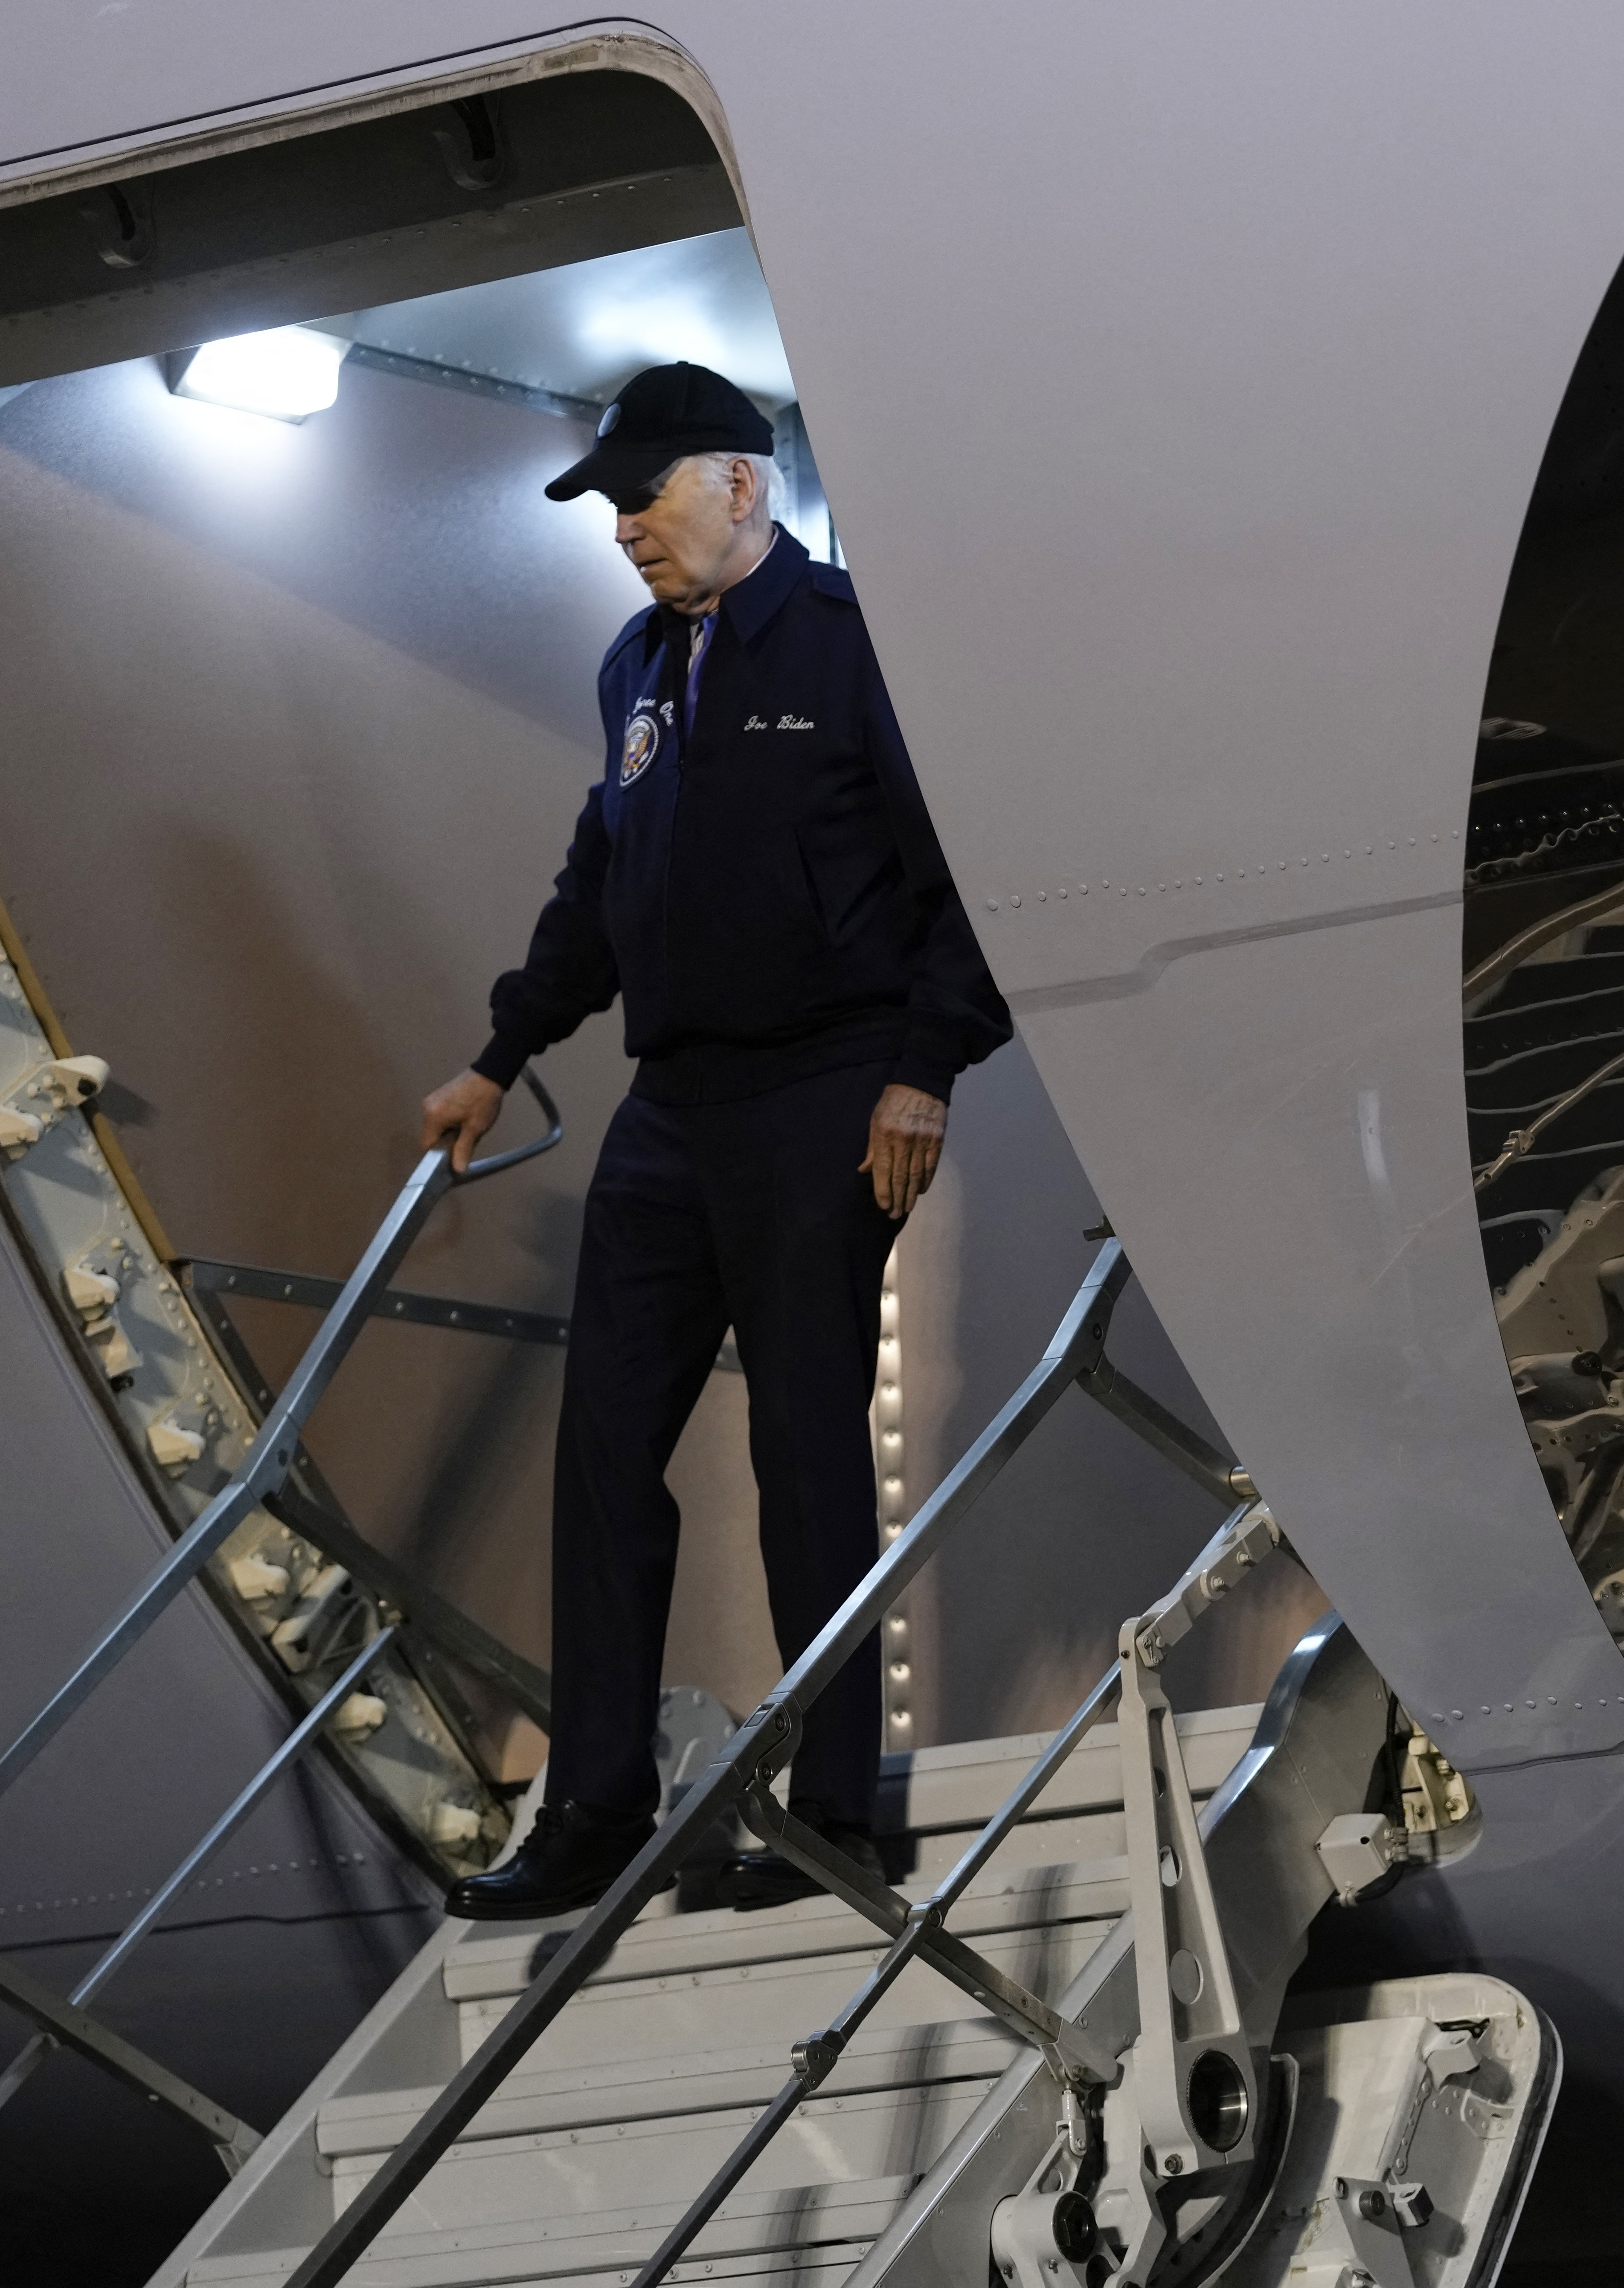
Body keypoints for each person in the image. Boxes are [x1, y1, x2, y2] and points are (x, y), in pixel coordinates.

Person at [427, 363, 1011, 1920]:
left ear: (742, 486)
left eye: (647, 495)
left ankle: (836, 1810)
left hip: (827, 1094)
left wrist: (923, 1065)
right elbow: (594, 886)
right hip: (671, 1107)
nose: (626, 527)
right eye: (613, 504)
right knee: (607, 1445)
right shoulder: (638, 667)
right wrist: (503, 1051)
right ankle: (597, 1802)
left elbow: (964, 864)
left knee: (805, 1442)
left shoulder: (854, 642)